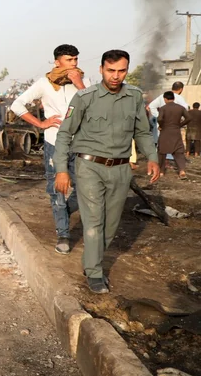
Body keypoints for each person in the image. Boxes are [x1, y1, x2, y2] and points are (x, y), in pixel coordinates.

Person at [54, 49, 159, 294]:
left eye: (121, 70)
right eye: (110, 70)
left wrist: (152, 157)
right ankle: (94, 271)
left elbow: (142, 131)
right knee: (93, 222)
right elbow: (64, 134)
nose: (115, 76)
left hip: (121, 169)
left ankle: (93, 260)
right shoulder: (85, 97)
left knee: (111, 225)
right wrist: (61, 170)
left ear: (127, 70)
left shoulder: (133, 96)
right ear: (101, 69)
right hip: (89, 166)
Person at [11, 44, 89, 254]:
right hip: (55, 143)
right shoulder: (45, 83)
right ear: (57, 62)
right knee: (57, 192)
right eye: (69, 60)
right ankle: (63, 233)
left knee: (86, 189)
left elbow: (94, 107)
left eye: (75, 60)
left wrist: (79, 83)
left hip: (81, 144)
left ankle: (63, 212)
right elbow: (17, 105)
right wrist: (41, 123)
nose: (73, 64)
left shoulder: (85, 82)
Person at [156, 91, 189, 179]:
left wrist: (161, 125)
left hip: (165, 132)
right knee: (179, 152)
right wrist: (180, 125)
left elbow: (159, 118)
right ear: (173, 98)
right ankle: (182, 171)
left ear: (165, 99)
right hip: (176, 131)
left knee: (162, 152)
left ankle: (162, 171)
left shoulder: (163, 108)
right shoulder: (180, 108)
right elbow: (189, 118)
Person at [147, 81, 188, 146]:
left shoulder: (162, 96)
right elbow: (185, 110)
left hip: (161, 126)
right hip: (174, 126)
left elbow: (151, 106)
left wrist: (158, 116)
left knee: (162, 145)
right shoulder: (180, 98)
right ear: (181, 89)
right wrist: (180, 120)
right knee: (173, 145)